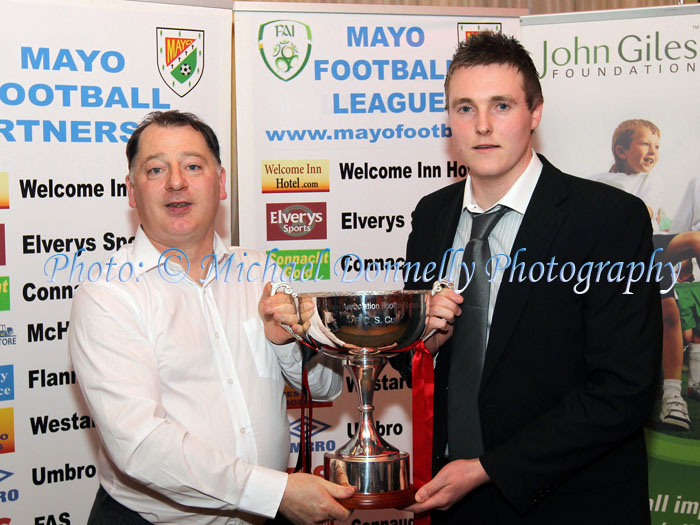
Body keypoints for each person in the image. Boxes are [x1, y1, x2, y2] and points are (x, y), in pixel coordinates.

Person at [395, 32, 662, 524]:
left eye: (501, 105)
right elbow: (416, 360)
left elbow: (625, 387)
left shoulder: (607, 218)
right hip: (452, 501)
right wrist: (422, 346)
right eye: (464, 108)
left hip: (572, 502)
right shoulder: (430, 217)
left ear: (535, 113)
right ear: (448, 118)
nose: (481, 126)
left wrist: (491, 469)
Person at [68, 110, 354, 524]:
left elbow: (326, 386)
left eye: (192, 165)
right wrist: (274, 493)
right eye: (155, 169)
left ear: (220, 182)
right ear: (132, 191)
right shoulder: (108, 294)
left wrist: (285, 342)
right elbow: (140, 445)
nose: (176, 182)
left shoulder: (261, 271)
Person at [590, 119, 698, 430]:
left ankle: (673, 396)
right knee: (648, 319)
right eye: (645, 144)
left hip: (646, 248)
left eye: (657, 146)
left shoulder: (650, 180)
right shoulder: (595, 181)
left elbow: (641, 214)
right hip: (612, 261)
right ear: (621, 150)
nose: (653, 151)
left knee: (672, 307)